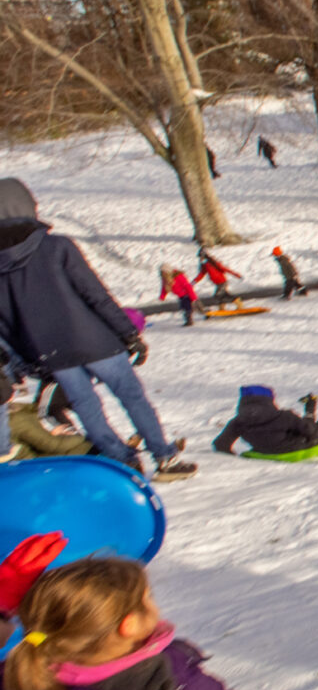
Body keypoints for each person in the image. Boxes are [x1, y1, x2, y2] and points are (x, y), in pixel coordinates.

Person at [0, 179, 194, 480]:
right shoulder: (57, 246)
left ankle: (123, 459)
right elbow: (94, 294)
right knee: (132, 397)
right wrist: (129, 333)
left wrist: (26, 363)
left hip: (51, 353)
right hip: (94, 340)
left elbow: (4, 324)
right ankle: (164, 457)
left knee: (86, 407)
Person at [2, 557, 311, 690]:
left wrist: (7, 611)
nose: (155, 602)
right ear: (130, 625)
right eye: (148, 596)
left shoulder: (26, 678)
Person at [213, 385, 318, 455]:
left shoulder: (237, 421)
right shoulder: (282, 416)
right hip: (296, 446)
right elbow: (310, 431)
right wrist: (309, 411)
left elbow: (220, 444)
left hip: (264, 450)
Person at [6, 377, 92, 461]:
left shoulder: (13, 412)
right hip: (37, 464)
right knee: (87, 445)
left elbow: (34, 409)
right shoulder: (14, 419)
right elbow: (56, 446)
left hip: (38, 454)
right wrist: (83, 435)